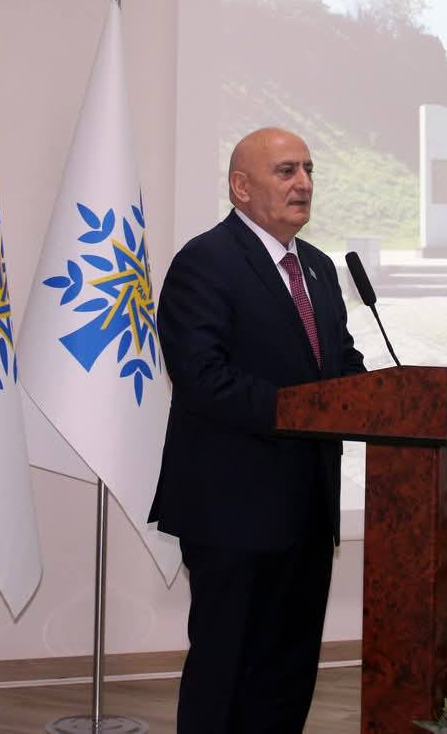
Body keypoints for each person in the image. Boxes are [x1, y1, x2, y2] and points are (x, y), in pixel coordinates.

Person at [150, 126, 367, 732]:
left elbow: (341, 364)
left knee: (288, 672)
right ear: (240, 187)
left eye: (308, 169)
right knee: (226, 667)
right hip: (233, 511)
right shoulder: (205, 262)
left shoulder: (318, 267)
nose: (303, 183)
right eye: (286, 171)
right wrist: (308, 410)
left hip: (308, 510)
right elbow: (202, 378)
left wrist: (383, 397)